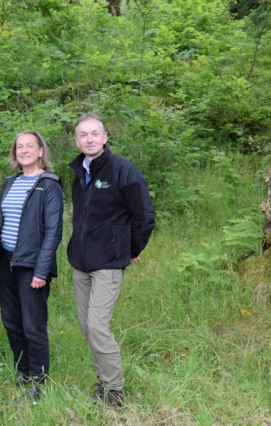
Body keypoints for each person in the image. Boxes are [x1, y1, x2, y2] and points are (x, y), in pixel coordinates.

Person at [68, 112, 155, 408]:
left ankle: (114, 390)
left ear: (105, 138)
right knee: (86, 325)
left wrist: (131, 250)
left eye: (95, 133)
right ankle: (102, 381)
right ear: (77, 140)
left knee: (97, 325)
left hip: (108, 261)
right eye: (83, 134)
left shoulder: (123, 170)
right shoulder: (79, 171)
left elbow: (144, 216)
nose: (89, 139)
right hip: (81, 262)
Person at [0, 130, 64, 402]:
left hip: (32, 266)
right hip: (7, 263)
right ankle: (22, 373)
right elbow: (1, 225)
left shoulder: (49, 185)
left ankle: (38, 381)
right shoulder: (10, 183)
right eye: (19, 147)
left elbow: (53, 232)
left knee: (33, 325)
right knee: (11, 322)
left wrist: (41, 270)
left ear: (41, 151)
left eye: (29, 146)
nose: (24, 150)